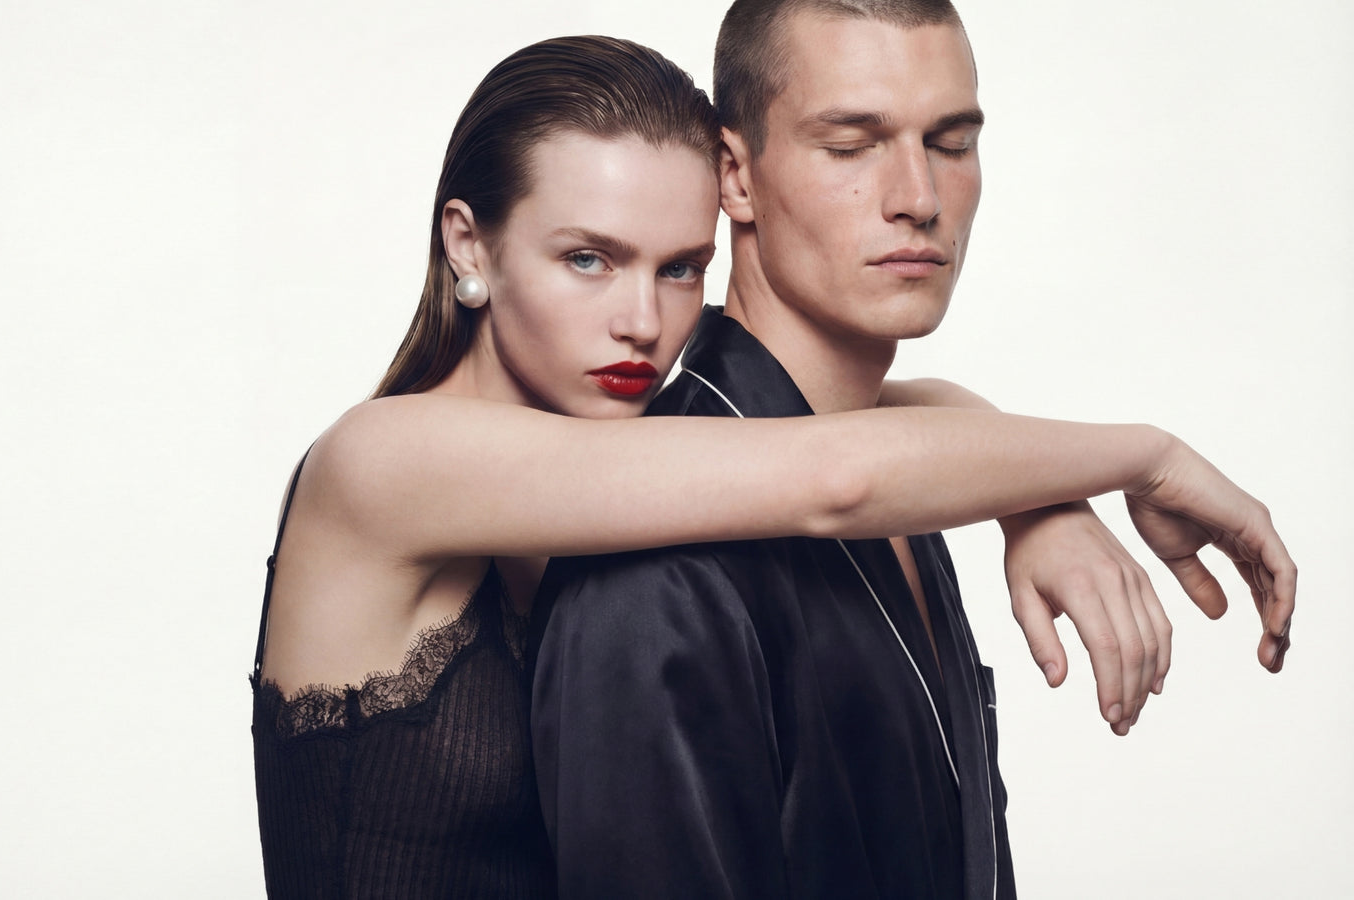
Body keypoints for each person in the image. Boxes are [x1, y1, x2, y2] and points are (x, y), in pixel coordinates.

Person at [250, 32, 1294, 900]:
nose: (641, 320)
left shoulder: (607, 455)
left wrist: (1040, 504)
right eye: (586, 259)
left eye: (681, 269)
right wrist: (1144, 459)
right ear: (469, 246)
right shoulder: (383, 463)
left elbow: (861, 418)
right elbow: (834, 473)